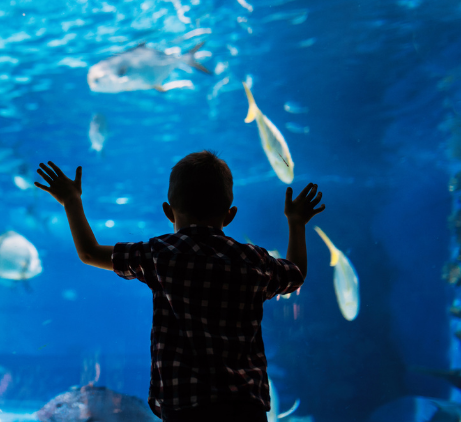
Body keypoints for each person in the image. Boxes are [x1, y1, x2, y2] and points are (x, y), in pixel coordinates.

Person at [34, 151, 325, 422]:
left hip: (183, 404)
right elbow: (295, 275)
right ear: (230, 214)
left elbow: (89, 252)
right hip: (244, 404)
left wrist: (71, 200)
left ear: (169, 211)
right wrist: (297, 222)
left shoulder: (160, 254)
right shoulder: (252, 260)